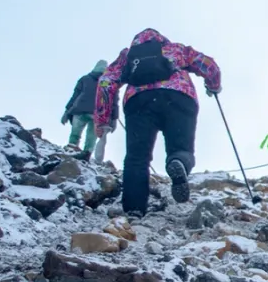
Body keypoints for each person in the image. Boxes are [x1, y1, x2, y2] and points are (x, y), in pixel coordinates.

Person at [94, 29, 222, 218]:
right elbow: (208, 65)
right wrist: (213, 85)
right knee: (181, 147)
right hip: (179, 97)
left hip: (139, 101)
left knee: (137, 157)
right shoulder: (174, 49)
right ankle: (178, 161)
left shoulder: (127, 55)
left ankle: (134, 209)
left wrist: (102, 120)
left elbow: (106, 81)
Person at [62, 60, 108, 161]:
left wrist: (67, 111)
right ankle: (86, 154)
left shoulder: (85, 79)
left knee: (75, 134)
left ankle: (71, 149)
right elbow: (111, 101)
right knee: (91, 137)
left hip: (80, 110)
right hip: (97, 114)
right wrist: (112, 118)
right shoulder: (106, 82)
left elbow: (75, 96)